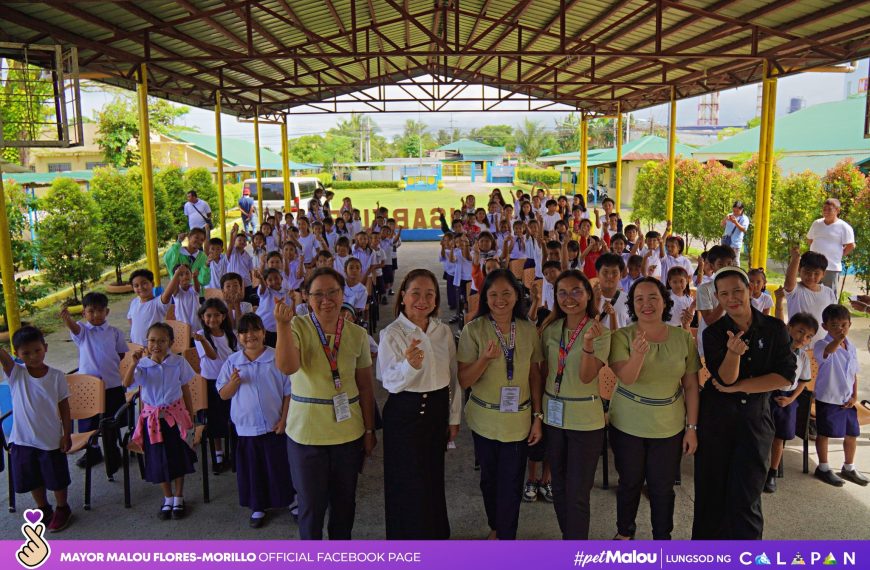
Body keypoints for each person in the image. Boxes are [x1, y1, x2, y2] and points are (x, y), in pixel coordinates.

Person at [694, 266, 796, 540]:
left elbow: (784, 375)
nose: (732, 298)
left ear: (750, 290)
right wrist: (733, 354)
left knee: (747, 496)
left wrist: (741, 387)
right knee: (710, 495)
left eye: (737, 290)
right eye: (724, 294)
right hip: (715, 422)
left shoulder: (774, 329)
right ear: (717, 297)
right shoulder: (714, 333)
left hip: (755, 422)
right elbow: (724, 380)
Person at [275, 268, 377, 540]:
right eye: (318, 294)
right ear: (307, 298)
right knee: (311, 507)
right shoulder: (298, 326)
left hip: (348, 433)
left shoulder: (356, 334)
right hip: (306, 435)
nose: (327, 299)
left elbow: (366, 386)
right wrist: (282, 326)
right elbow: (287, 366)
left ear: (343, 294)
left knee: (344, 505)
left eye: (333, 292)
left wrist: (369, 430)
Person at [604, 277, 700, 540]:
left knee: (662, 487)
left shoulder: (683, 338)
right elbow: (628, 378)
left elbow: (691, 386)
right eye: (639, 300)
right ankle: (625, 533)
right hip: (628, 423)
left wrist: (691, 428)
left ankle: (662, 538)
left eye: (653, 298)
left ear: (664, 302)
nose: (646, 304)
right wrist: (637, 354)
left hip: (668, 426)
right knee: (630, 482)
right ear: (632, 306)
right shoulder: (621, 336)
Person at [457, 269, 544, 540]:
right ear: (485, 297)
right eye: (493, 294)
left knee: (512, 482)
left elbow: (534, 374)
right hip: (484, 419)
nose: (500, 300)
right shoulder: (474, 329)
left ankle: (507, 537)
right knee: (489, 480)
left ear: (518, 295)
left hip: (518, 421)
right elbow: (463, 379)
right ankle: (496, 525)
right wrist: (483, 359)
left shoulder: (528, 330)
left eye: (507, 293)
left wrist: (537, 416)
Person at [377, 269, 461, 539]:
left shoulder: (442, 331)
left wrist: (454, 417)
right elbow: (389, 381)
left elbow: (453, 376)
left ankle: (435, 536)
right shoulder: (392, 333)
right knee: (405, 481)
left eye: (429, 294)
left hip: (436, 411)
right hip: (404, 413)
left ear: (436, 300)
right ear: (402, 297)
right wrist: (410, 366)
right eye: (415, 293)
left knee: (432, 476)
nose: (422, 300)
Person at [539, 270, 609, 540]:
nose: (569, 298)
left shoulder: (600, 330)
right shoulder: (550, 329)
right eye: (562, 292)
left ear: (589, 294)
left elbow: (586, 376)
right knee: (558, 485)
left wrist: (589, 346)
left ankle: (575, 550)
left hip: (585, 421)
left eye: (577, 291)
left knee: (578, 493)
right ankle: (571, 542)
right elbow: (544, 370)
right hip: (553, 417)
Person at [217, 313, 293, 528]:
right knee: (254, 470)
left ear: (263, 332)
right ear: (238, 336)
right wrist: (233, 383)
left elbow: (289, 392)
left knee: (280, 466)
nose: (249, 335)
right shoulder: (232, 362)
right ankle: (258, 506)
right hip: (247, 429)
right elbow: (223, 394)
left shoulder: (276, 357)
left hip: (275, 426)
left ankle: (291, 501)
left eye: (254, 330)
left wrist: (284, 420)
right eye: (243, 331)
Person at [0, 326, 73, 532]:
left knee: (57, 478)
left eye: (37, 350)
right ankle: (43, 508)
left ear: (46, 348)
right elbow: (3, 357)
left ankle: (62, 508)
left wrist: (66, 434)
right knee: (32, 478)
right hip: (22, 440)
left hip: (50, 438)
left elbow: (64, 407)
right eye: (26, 353)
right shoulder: (15, 373)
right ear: (17, 354)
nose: (33, 356)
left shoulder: (57, 376)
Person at [123, 323, 198, 520]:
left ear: (171, 343)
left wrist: (191, 416)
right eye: (152, 340)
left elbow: (186, 389)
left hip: (175, 418)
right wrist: (133, 363)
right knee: (158, 459)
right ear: (146, 343)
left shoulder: (178, 362)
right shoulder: (142, 365)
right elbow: (126, 383)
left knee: (177, 458)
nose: (157, 344)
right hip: (152, 422)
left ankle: (179, 497)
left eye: (162, 340)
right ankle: (167, 498)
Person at [60, 293, 128, 469]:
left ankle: (112, 450)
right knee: (88, 423)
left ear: (107, 311)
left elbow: (120, 354)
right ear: (84, 313)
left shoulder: (115, 333)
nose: (96, 315)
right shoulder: (83, 332)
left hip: (111, 385)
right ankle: (93, 451)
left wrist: (108, 365)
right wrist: (67, 319)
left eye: (100, 311)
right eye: (91, 311)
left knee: (111, 421)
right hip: (88, 387)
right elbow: (74, 329)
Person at [812, 303, 867, 487]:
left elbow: (853, 372)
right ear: (825, 326)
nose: (840, 329)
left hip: (847, 399)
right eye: (834, 325)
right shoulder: (822, 344)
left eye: (844, 324)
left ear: (850, 324)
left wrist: (854, 396)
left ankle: (848, 467)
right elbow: (828, 353)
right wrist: (837, 338)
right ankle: (824, 467)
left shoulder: (851, 346)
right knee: (825, 433)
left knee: (852, 433)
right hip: (828, 397)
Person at [764, 312, 817, 493]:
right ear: (789, 328)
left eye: (809, 336)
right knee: (760, 434)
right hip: (767, 395)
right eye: (800, 331)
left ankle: (772, 472)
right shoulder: (775, 349)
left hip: (787, 399)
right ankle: (756, 469)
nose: (803, 338)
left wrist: (791, 399)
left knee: (779, 438)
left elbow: (803, 381)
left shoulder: (803, 357)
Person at [194, 299, 238, 471]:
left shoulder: (231, 334)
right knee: (214, 420)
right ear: (202, 317)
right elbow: (212, 356)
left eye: (217, 315)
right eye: (208, 315)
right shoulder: (200, 335)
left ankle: (234, 452)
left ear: (224, 316)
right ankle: (218, 455)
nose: (213, 319)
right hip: (210, 383)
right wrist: (204, 340)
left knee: (232, 417)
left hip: (229, 382)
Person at [783, 248, 836, 344]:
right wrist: (796, 259)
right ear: (799, 270)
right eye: (807, 272)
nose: (811, 276)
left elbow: (833, 318)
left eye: (816, 273)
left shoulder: (829, 293)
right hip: (796, 344)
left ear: (823, 274)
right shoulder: (795, 290)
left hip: (821, 345)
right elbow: (788, 283)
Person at [806, 198, 855, 296]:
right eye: (824, 209)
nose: (826, 211)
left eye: (829, 209)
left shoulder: (844, 227)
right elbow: (810, 239)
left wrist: (838, 255)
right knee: (810, 294)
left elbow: (851, 245)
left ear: (837, 210)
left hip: (831, 267)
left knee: (830, 295)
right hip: (813, 266)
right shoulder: (816, 223)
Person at [127, 269, 177, 346]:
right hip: (136, 347)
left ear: (152, 284)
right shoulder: (135, 302)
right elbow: (130, 318)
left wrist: (177, 274)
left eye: (144, 283)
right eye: (136, 286)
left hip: (153, 348)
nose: (140, 287)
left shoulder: (157, 303)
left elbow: (168, 293)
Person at [720, 200, 749, 265]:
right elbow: (721, 225)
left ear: (742, 210)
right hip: (726, 242)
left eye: (737, 211)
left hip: (735, 244)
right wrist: (725, 219)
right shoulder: (729, 215)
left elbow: (744, 229)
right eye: (734, 211)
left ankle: (736, 274)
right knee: (724, 260)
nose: (735, 212)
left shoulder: (744, 219)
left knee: (735, 262)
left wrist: (736, 222)